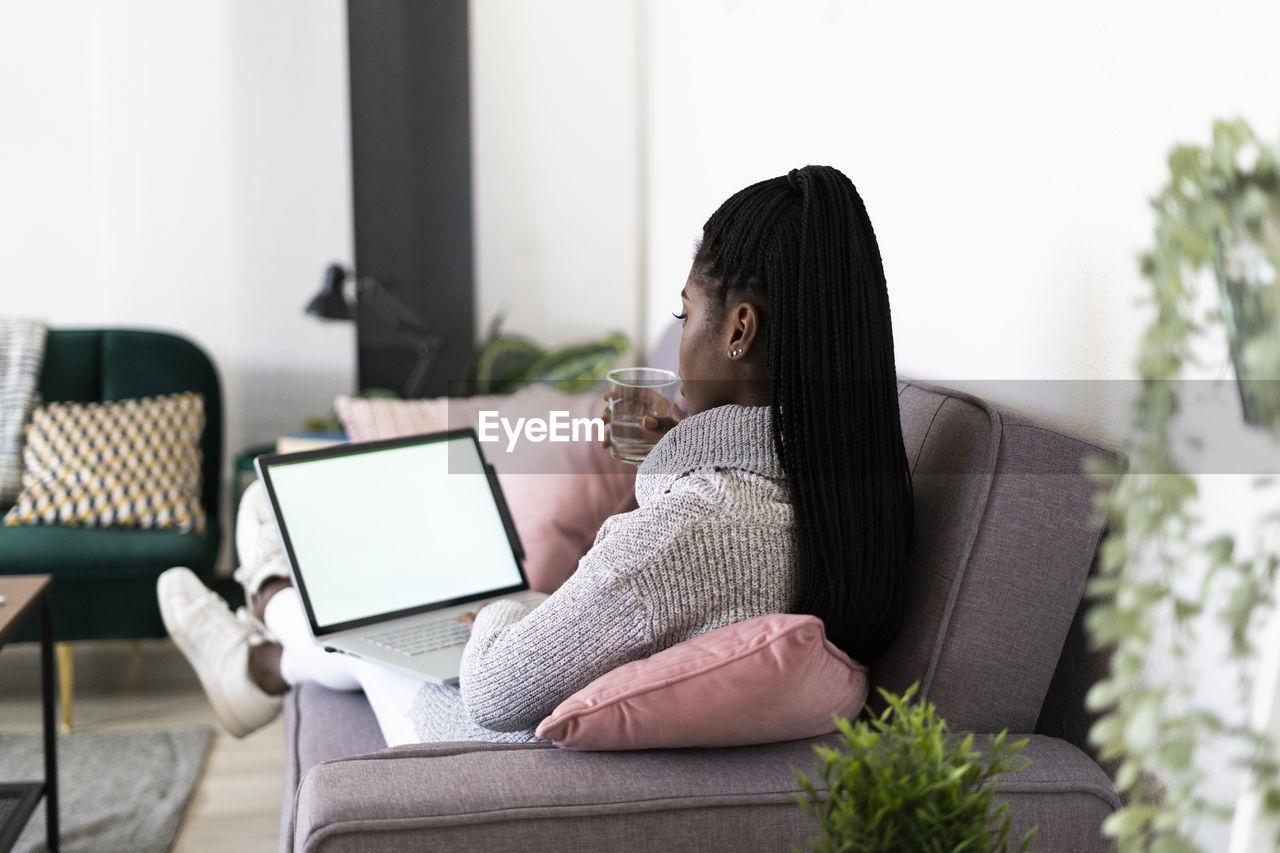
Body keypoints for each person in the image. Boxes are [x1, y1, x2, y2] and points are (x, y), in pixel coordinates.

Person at [158, 164, 913, 746]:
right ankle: (262, 658)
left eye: (687, 312)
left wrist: (500, 606)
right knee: (386, 619)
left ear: (740, 329)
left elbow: (492, 692)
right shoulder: (849, 499)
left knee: (371, 632)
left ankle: (267, 615)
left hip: (496, 748)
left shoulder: (696, 526)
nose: (680, 336)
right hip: (587, 710)